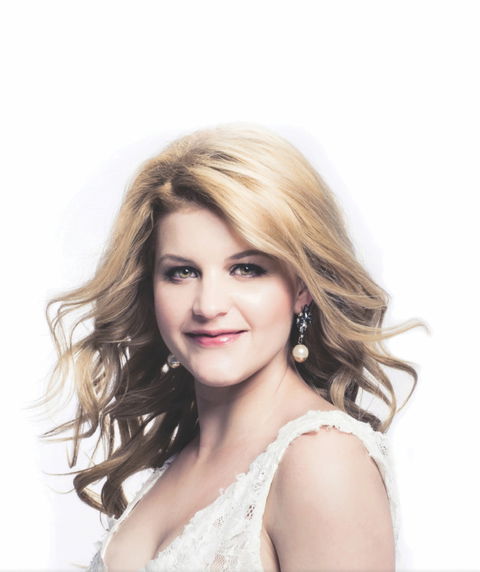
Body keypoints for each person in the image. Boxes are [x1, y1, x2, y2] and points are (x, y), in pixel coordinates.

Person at [40, 123, 423, 571]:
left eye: (246, 269)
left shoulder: (321, 460)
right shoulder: (182, 462)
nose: (208, 305)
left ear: (302, 287)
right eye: (182, 272)